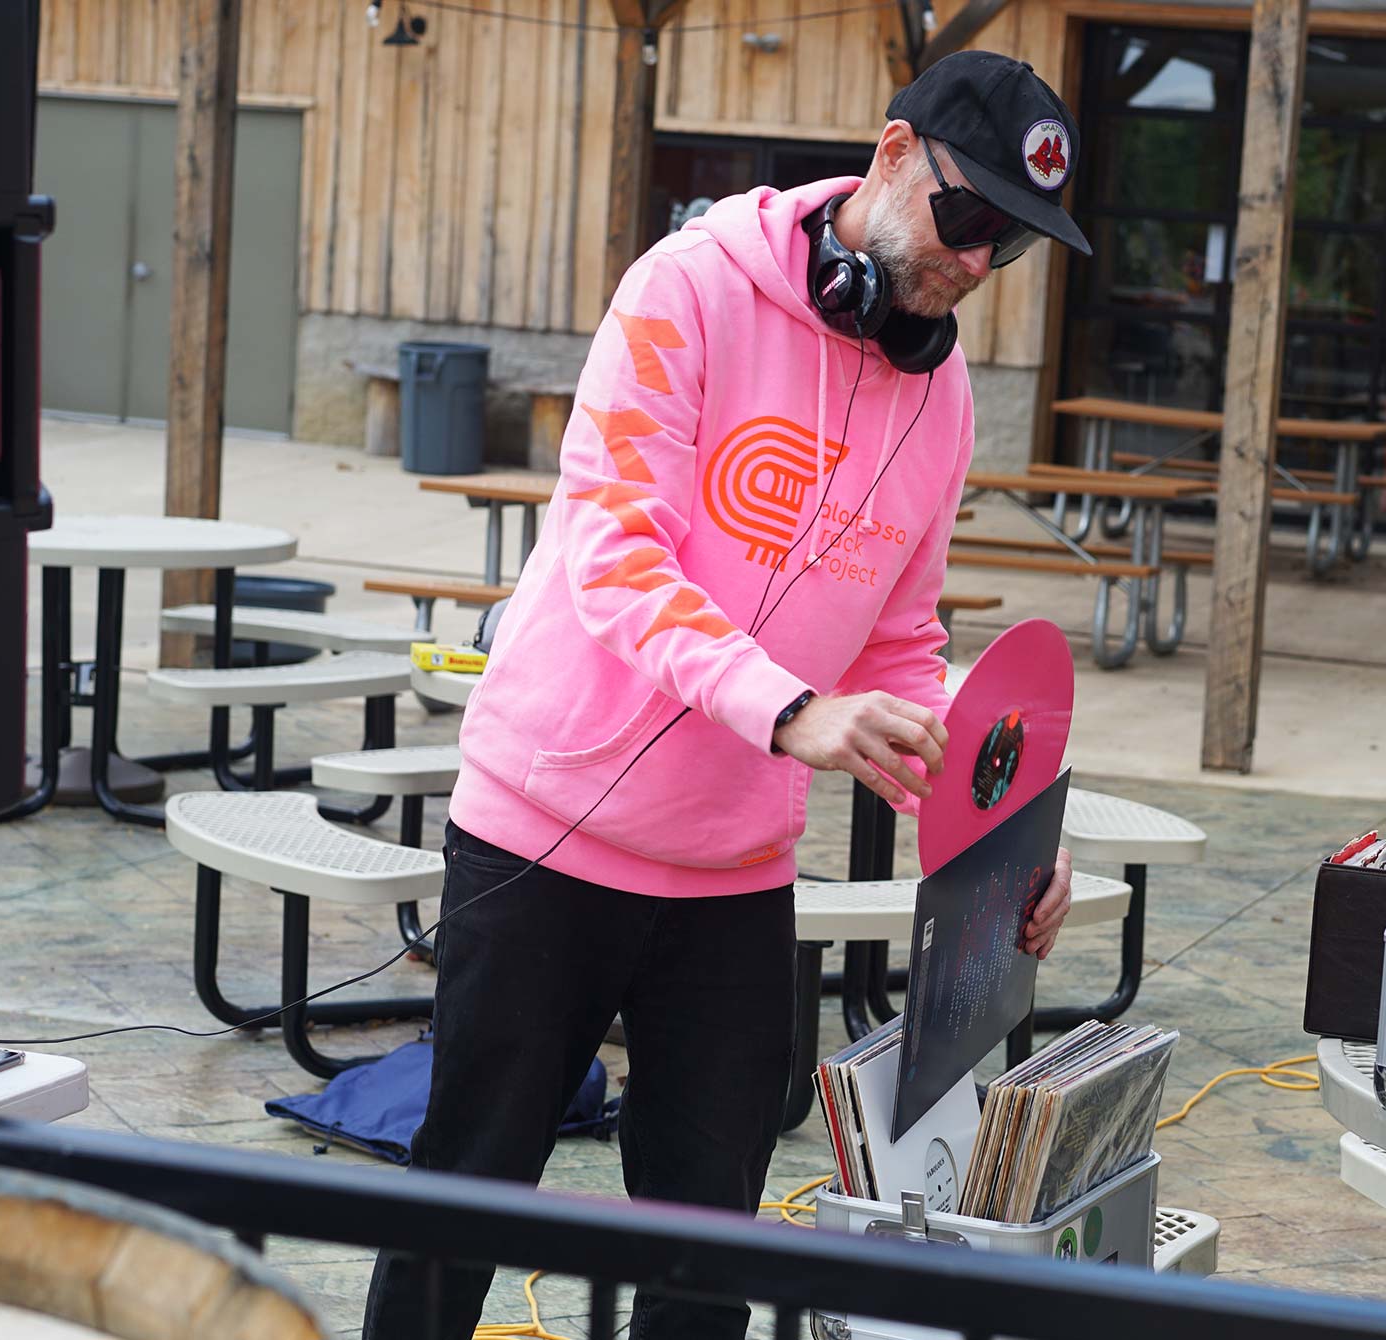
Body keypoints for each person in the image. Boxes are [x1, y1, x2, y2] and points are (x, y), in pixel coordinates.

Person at [363, 51, 1095, 1340]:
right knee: (468, 1192)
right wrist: (785, 708)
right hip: (548, 829)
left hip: (735, 872)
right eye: (968, 217)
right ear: (888, 156)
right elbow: (613, 553)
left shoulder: (943, 395)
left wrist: (1007, 837)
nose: (978, 264)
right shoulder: (686, 289)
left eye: (1013, 246)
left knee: (708, 1248)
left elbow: (904, 635)